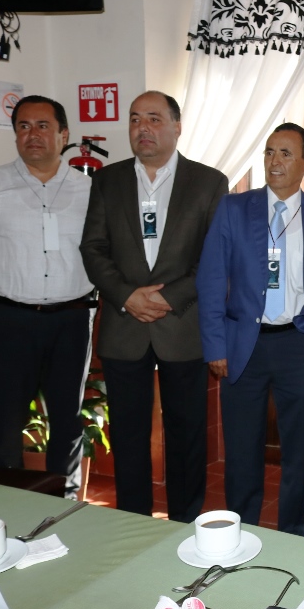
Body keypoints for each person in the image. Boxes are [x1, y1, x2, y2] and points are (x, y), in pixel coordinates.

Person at [80, 91, 227, 522]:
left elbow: (215, 258)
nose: (142, 128)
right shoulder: (107, 181)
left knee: (187, 433)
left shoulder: (208, 182)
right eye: (134, 119)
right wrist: (126, 296)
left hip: (182, 325)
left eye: (154, 119)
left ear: (177, 127)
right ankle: (132, 522)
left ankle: (183, 522)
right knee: (128, 434)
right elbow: (92, 249)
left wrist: (169, 296)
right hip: (124, 326)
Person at [0, 95, 96, 499]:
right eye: (23, 127)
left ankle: (64, 503)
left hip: (71, 321)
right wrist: (4, 295)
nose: (33, 134)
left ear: (63, 135)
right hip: (10, 323)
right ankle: (8, 506)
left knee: (67, 420)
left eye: (43, 126)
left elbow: (103, 252)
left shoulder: (90, 190)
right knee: (6, 423)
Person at [196, 123, 304, 536]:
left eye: (286, 153)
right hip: (243, 345)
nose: (274, 162)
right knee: (242, 449)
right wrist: (215, 345)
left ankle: (293, 534)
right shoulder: (235, 208)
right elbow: (211, 279)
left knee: (300, 451)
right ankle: (242, 530)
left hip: (300, 345)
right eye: (269, 152)